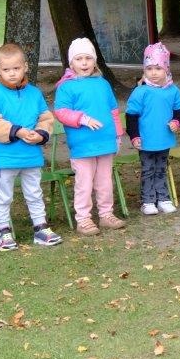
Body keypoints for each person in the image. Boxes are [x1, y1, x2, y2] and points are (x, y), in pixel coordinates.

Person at [0, 42, 62, 251]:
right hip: (4, 158)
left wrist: (40, 134)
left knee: (34, 193)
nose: (11, 73)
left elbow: (46, 118)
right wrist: (17, 131)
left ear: (25, 67)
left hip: (31, 156)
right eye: (6, 69)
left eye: (16, 68)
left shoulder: (34, 93)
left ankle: (40, 228)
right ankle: (3, 231)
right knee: (4, 196)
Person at [54, 38, 127, 235]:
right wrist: (82, 119)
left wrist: (117, 135)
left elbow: (113, 111)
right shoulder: (66, 87)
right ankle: (83, 219)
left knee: (105, 182)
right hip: (83, 145)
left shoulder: (103, 84)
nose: (84, 63)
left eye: (88, 58)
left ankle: (106, 214)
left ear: (95, 60)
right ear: (71, 63)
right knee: (84, 184)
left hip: (105, 142)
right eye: (79, 59)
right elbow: (61, 112)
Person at [125, 42, 180, 216]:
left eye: (158, 68)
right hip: (145, 140)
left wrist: (176, 121)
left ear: (166, 69)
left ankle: (163, 199)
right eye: (149, 69)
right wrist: (134, 136)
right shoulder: (140, 92)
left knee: (161, 169)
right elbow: (131, 115)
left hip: (164, 138)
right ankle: (148, 201)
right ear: (144, 71)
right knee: (147, 170)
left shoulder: (173, 90)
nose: (153, 73)